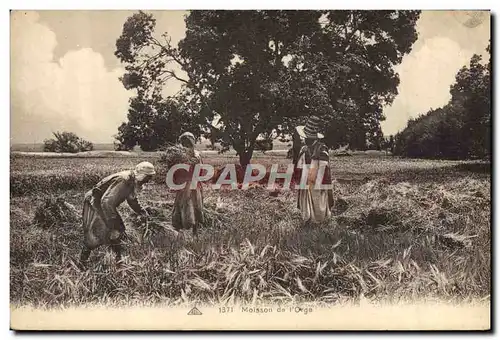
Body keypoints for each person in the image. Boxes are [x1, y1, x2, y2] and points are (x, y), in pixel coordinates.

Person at [79, 161, 155, 268]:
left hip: (104, 205)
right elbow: (106, 202)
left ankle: (118, 260)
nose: (148, 181)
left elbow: (131, 199)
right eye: (148, 178)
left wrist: (141, 211)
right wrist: (112, 225)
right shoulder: (124, 181)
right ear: (142, 175)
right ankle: (82, 262)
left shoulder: (132, 180)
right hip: (94, 203)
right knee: (97, 233)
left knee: (119, 230)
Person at [295, 115, 334, 226]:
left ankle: (319, 223)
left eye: (307, 137)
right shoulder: (304, 149)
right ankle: (307, 221)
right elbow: (299, 166)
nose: (304, 139)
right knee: (306, 204)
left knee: (318, 205)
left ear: (313, 138)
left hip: (317, 182)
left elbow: (324, 168)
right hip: (305, 182)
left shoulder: (322, 149)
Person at [171, 132, 204, 237]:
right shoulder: (196, 155)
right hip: (192, 184)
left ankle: (185, 232)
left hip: (185, 185)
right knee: (194, 207)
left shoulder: (178, 154)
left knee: (185, 206)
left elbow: (173, 172)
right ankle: (193, 233)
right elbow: (201, 171)